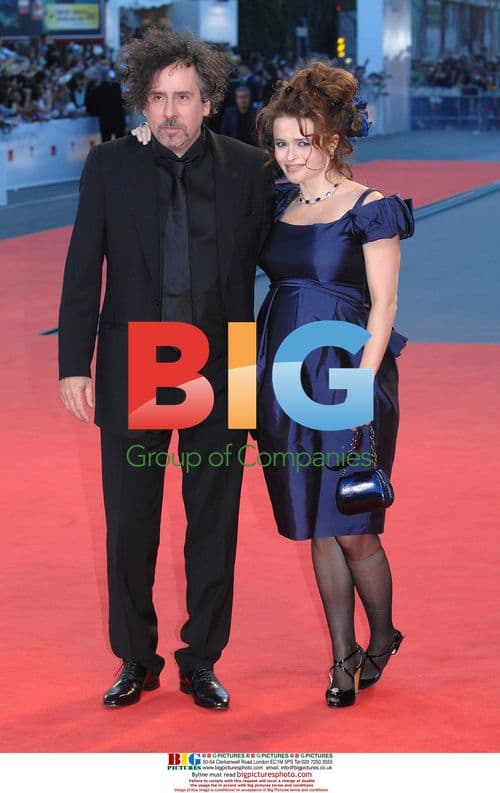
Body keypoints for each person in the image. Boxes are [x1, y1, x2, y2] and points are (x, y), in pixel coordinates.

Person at [58, 27, 274, 711]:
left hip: (223, 363)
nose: (171, 111)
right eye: (158, 97)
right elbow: (81, 268)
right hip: (135, 363)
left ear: (208, 100)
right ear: (141, 103)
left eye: (184, 96)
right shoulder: (111, 167)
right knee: (130, 522)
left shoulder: (250, 168)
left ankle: (202, 658)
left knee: (215, 522)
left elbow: (291, 259)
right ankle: (135, 657)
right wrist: (73, 362)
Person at [255, 62, 414, 707]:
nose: (290, 155)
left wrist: (360, 384)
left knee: (353, 526)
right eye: (281, 142)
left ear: (334, 138)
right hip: (282, 374)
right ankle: (341, 659)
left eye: (303, 141)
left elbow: (385, 306)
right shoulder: (275, 201)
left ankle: (382, 640)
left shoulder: (371, 209)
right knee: (315, 524)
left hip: (347, 373)